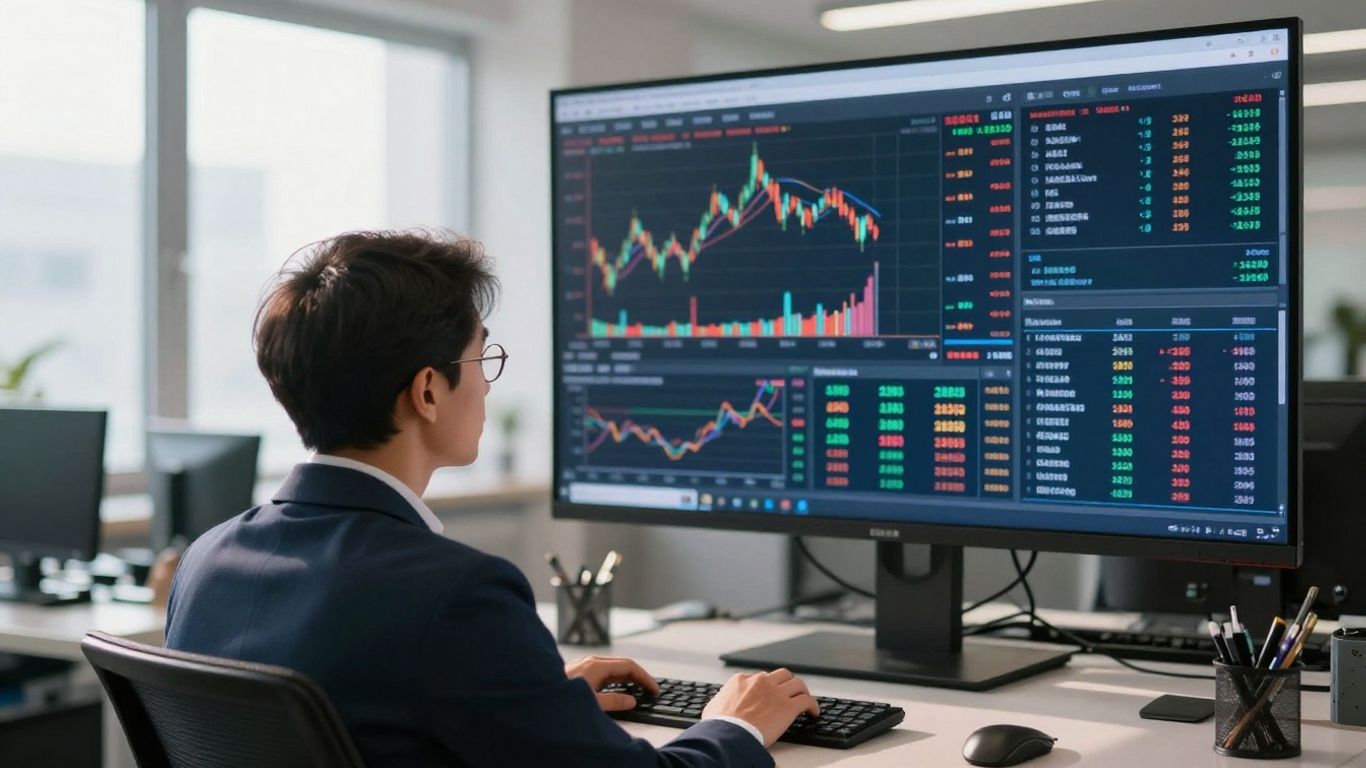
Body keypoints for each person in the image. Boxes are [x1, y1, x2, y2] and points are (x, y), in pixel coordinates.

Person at [164, 230, 819, 767]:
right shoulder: (455, 596)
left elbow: (372, 712)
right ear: (427, 391)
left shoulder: (207, 563)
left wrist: (530, 701)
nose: (487, 387)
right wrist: (737, 725)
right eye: (482, 361)